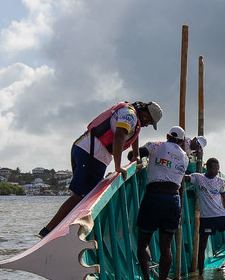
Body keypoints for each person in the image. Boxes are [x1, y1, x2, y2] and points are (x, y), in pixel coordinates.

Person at [40, 99, 163, 236]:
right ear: (146, 114)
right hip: (91, 153)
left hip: (92, 153)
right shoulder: (130, 115)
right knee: (80, 195)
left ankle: (65, 232)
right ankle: (48, 231)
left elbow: (135, 133)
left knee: (85, 196)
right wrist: (117, 166)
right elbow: (119, 136)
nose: (148, 124)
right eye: (150, 121)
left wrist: (136, 155)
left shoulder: (134, 118)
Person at [136, 126, 189, 280]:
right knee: (166, 248)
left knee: (143, 244)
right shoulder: (184, 157)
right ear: (181, 141)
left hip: (154, 197)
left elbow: (137, 153)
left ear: (167, 136)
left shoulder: (156, 145)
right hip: (173, 201)